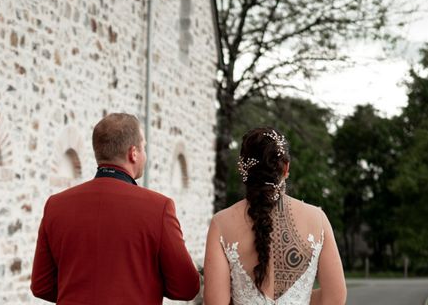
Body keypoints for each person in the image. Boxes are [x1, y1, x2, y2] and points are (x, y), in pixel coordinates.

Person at [30, 112, 200, 304]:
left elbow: (41, 285)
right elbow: (187, 287)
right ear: (133, 153)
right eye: (144, 147)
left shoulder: (56, 205)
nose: (145, 153)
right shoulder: (159, 208)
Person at [203, 127, 346, 305]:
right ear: (286, 167)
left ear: (243, 169)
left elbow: (215, 303)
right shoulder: (317, 219)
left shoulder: (221, 223)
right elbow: (336, 297)